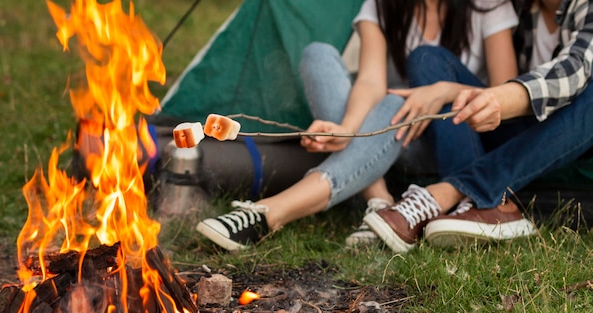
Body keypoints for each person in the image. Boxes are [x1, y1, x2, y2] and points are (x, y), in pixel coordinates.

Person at [195, 0, 519, 251]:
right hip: (383, 134)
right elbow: (370, 82)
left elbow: (510, 94)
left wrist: (444, 91)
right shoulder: (382, 5)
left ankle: (271, 212)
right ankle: (380, 203)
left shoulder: (488, 5)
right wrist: (346, 128)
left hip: (441, 140)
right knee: (319, 55)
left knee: (396, 102)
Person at [364, 0, 593, 253]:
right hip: (517, 128)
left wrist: (496, 99)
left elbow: (574, 72)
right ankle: (483, 209)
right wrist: (447, 90)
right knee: (427, 59)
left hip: (574, 132)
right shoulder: (520, 8)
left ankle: (452, 192)